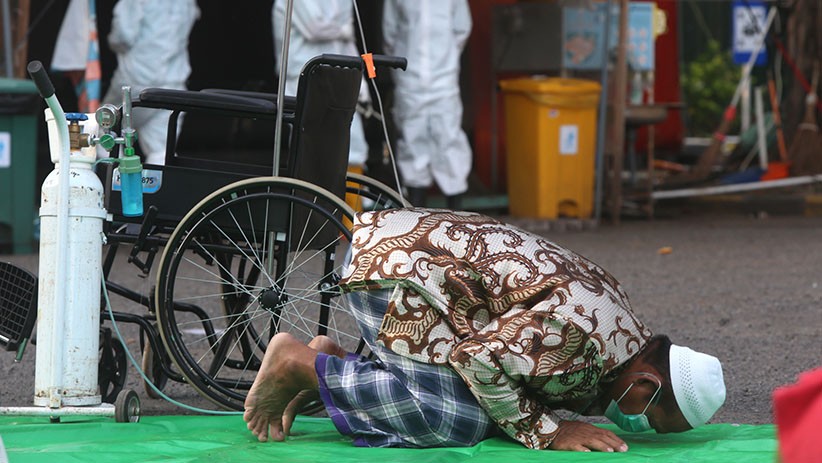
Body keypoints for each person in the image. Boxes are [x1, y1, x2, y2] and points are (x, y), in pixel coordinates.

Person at [243, 208, 727, 451]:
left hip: (421, 272)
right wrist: (550, 431)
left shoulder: (623, 330)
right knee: (461, 421)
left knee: (485, 407)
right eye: (651, 421)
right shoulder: (579, 339)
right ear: (645, 383)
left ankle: (340, 365)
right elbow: (477, 358)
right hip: (397, 272)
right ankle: (300, 364)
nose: (636, 428)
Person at [382, 0, 473, 209]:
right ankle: (417, 213)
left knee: (449, 138)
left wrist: (445, 61)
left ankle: (455, 217)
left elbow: (462, 29)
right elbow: (390, 34)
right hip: (409, 79)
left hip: (444, 78)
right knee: (412, 139)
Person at [271, 0, 371, 175]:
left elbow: (349, 40)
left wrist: (361, 79)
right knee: (309, 146)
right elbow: (314, 28)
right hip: (305, 78)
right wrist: (341, 31)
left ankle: (350, 202)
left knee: (352, 145)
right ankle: (307, 200)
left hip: (339, 77)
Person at [102, 0, 200, 165]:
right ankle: (158, 191)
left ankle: (104, 186)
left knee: (102, 132)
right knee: (161, 152)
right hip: (173, 81)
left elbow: (122, 36)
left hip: (136, 79)